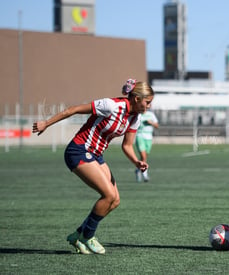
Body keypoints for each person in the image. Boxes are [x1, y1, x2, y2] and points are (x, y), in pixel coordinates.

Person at [32, 79, 154, 255]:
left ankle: (78, 234)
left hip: (96, 155)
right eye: (147, 102)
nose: (149, 106)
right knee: (108, 195)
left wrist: (136, 162)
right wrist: (46, 123)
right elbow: (72, 110)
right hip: (78, 150)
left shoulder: (135, 118)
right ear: (136, 98)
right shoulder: (111, 106)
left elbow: (127, 146)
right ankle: (87, 236)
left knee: (115, 200)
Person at [135, 109, 159, 182]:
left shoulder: (151, 114)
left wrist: (150, 122)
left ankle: (138, 170)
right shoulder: (138, 114)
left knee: (145, 157)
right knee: (143, 156)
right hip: (140, 136)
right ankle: (145, 175)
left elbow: (157, 125)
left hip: (149, 138)